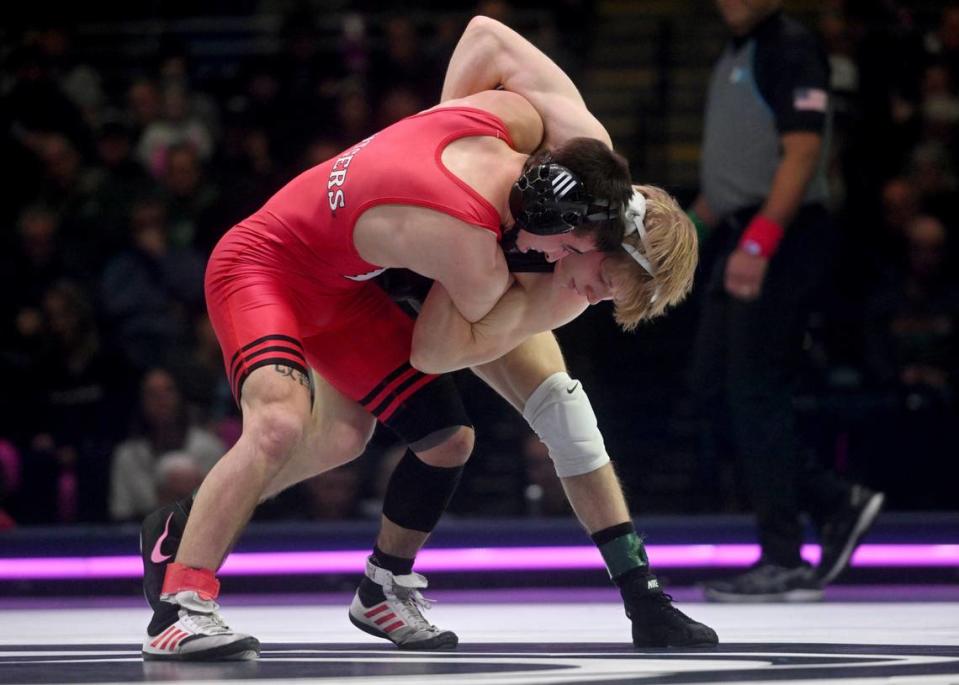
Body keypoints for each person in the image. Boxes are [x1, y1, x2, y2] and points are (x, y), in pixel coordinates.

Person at [138, 16, 714, 661]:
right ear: (589, 229)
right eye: (602, 278)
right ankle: (182, 603)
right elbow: (435, 352)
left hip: (356, 281)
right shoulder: (480, 246)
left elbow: (487, 39)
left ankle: (379, 586)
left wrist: (438, 127)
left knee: (405, 438)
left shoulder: (546, 139)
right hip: (267, 265)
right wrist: (515, 294)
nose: (594, 298)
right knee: (280, 424)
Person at [686, 0, 884, 602]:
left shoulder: (789, 46)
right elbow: (723, 185)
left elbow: (803, 153)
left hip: (782, 235)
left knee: (753, 389)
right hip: (740, 230)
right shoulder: (735, 53)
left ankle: (784, 557)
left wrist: (760, 243)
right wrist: (667, 244)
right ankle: (831, 500)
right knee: (712, 389)